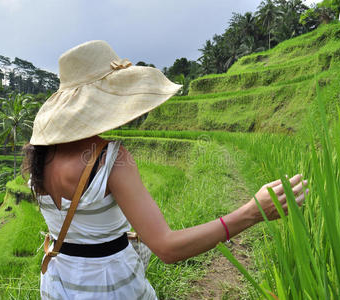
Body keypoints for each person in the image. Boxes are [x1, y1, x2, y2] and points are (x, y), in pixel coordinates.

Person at [23, 40, 308, 300]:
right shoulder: (111, 158)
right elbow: (167, 247)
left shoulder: (40, 158)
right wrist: (251, 212)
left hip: (59, 283)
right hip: (111, 287)